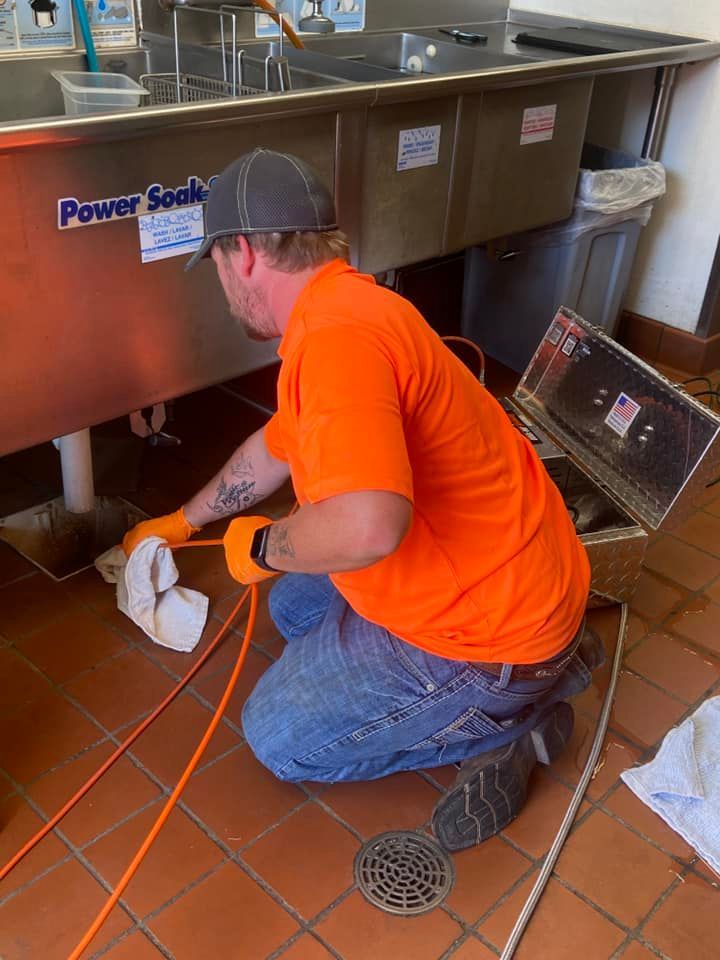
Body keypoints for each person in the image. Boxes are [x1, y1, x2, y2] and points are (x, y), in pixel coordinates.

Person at [123, 147, 598, 852]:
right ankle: (523, 674)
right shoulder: (349, 307)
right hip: (511, 568)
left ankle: (513, 722)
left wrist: (264, 546)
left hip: (493, 635)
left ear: (244, 252)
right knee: (293, 607)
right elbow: (271, 450)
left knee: (279, 739)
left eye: (218, 265)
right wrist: (182, 520)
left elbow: (370, 524)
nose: (221, 285)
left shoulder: (335, 340)